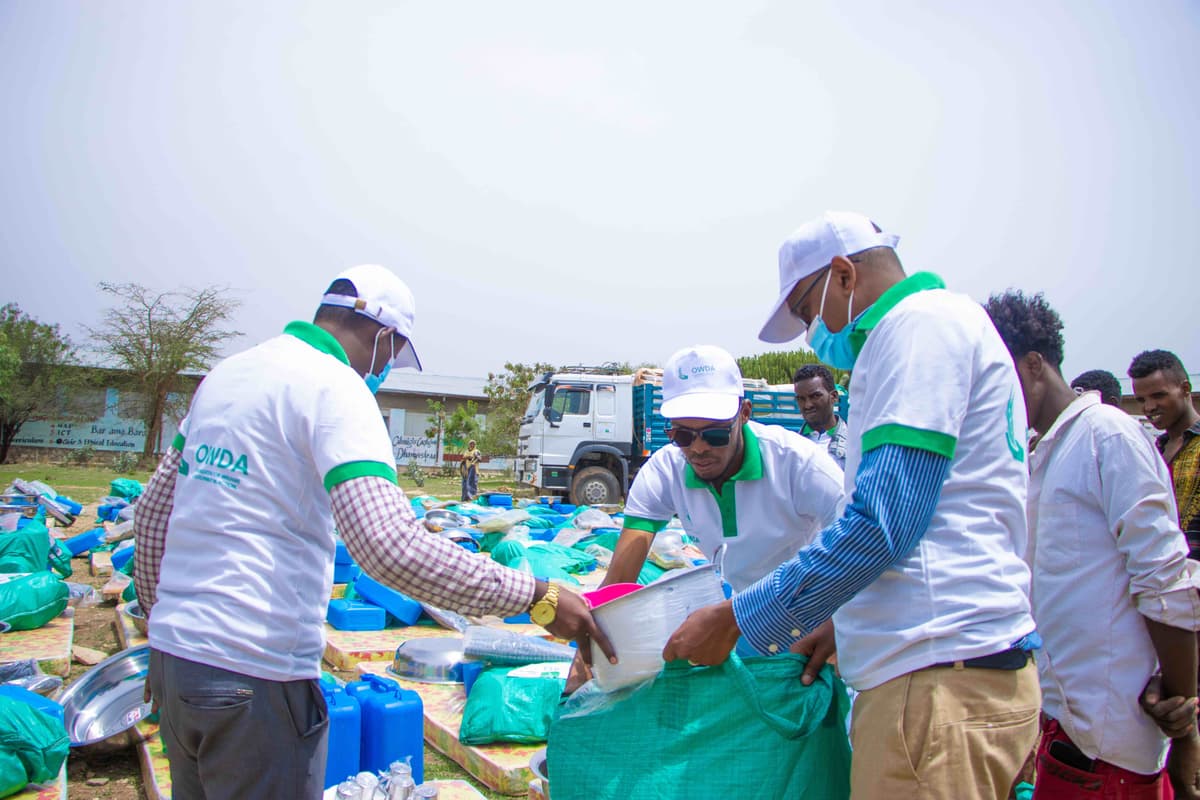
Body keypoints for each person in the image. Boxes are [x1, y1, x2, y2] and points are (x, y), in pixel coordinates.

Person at [133, 264, 614, 800]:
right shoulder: (335, 388)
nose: (385, 368)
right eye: (393, 353)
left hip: (178, 666)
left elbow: (152, 514)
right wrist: (538, 595)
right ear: (384, 335)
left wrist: (162, 631)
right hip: (256, 675)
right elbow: (389, 546)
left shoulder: (227, 376)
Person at [664, 211, 1040, 800]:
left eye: (809, 312)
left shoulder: (916, 330)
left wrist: (742, 619)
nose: (815, 334)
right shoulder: (936, 328)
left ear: (843, 275)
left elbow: (882, 524)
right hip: (950, 670)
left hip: (936, 682)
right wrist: (839, 621)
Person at [986, 290, 1200, 799]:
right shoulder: (1043, 452)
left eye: (996, 375)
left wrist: (1184, 710)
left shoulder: (1108, 436)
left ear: (1033, 364)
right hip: (1066, 721)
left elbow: (1165, 579)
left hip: (1114, 737)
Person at [567, 344, 844, 690]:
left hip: (810, 612)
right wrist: (586, 657)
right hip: (737, 615)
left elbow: (866, 545)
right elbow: (620, 578)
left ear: (744, 414)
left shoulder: (799, 464)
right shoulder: (664, 471)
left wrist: (839, 623)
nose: (698, 448)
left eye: (714, 434)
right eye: (682, 434)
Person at [1130, 350, 1200, 561]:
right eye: (1141, 400)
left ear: (1185, 389)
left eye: (1159, 395)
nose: (1149, 407)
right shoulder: (1152, 450)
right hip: (1167, 579)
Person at [793, 363, 848, 468]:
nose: (807, 405)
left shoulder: (854, 446)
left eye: (815, 396)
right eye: (801, 398)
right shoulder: (791, 446)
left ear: (834, 397)